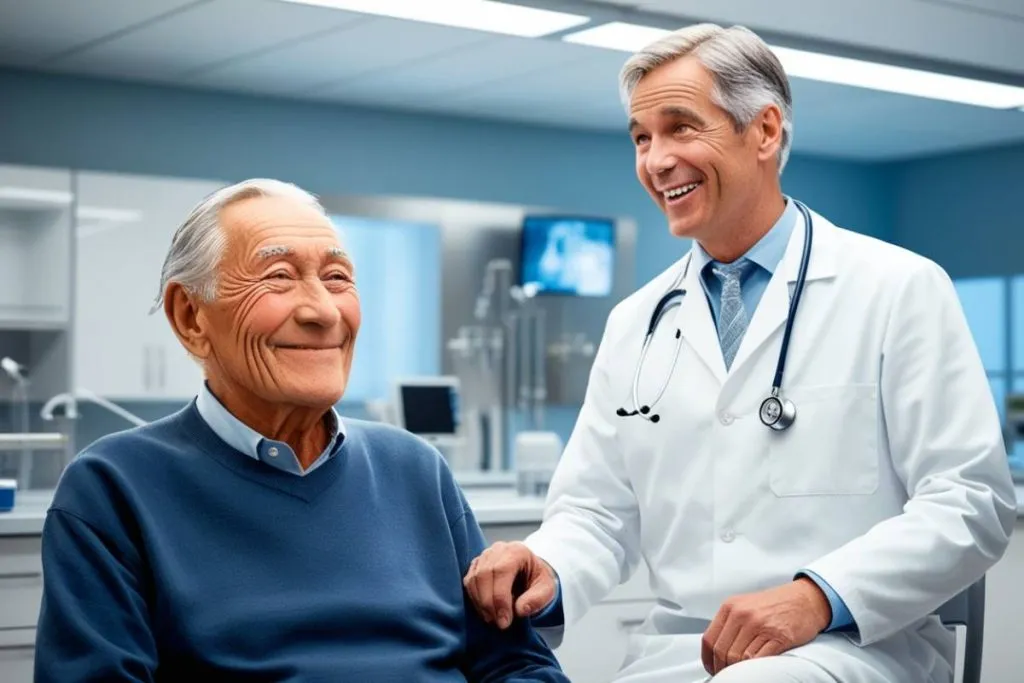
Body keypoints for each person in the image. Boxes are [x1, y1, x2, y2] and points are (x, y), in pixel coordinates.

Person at [463, 23, 1016, 683]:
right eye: (641, 138)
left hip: (851, 649)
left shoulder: (897, 288)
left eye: (680, 127)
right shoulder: (635, 323)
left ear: (765, 131)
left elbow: (971, 499)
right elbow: (595, 512)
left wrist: (817, 596)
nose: (656, 160)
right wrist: (545, 567)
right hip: (678, 654)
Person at [34, 179, 569, 682]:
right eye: (278, 277)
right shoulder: (113, 487)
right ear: (191, 316)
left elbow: (517, 664)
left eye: (337, 278)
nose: (323, 311)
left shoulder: (415, 468)